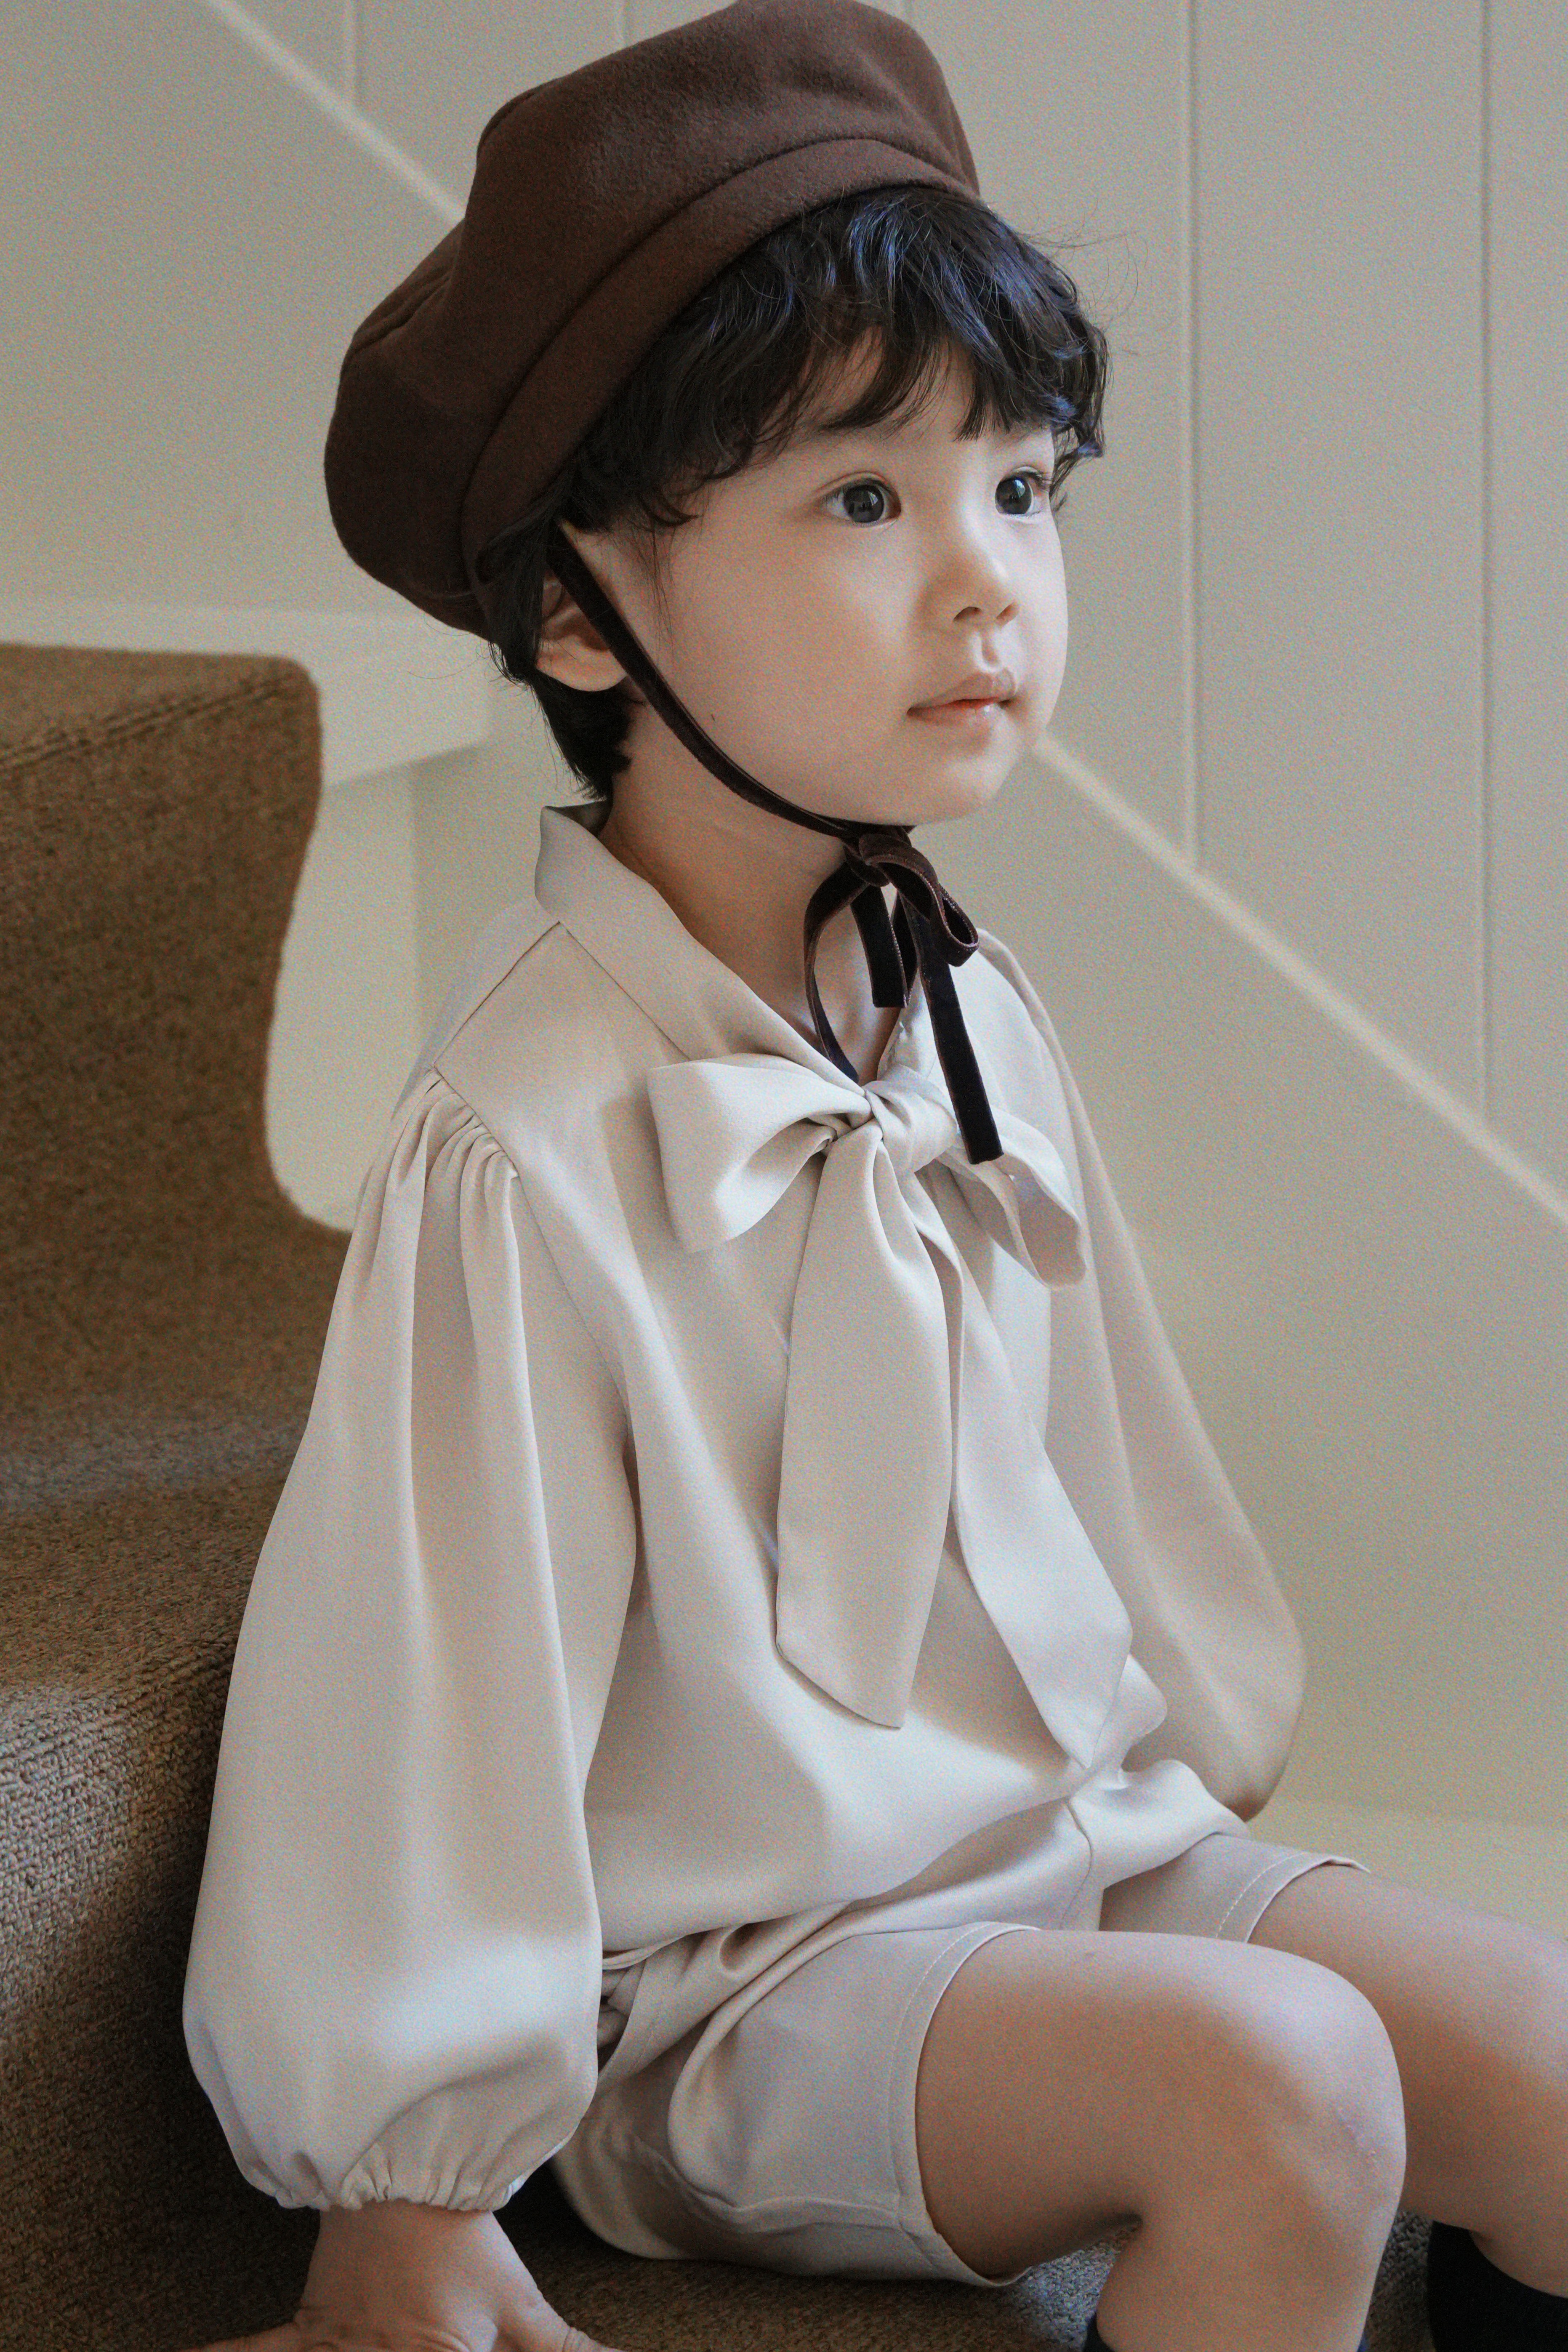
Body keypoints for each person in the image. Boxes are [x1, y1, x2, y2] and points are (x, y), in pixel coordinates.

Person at [181, 7, 1568, 2352]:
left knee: (1549, 2058)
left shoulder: (956, 1001)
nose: (987, 581)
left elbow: (1101, 1451)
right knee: (1288, 2088)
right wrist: (405, 2176)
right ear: (579, 608)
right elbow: (424, 1674)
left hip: (1063, 1852)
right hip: (738, 1979)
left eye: (1021, 486)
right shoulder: (527, 1134)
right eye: (863, 500)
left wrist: (1181, 1775)